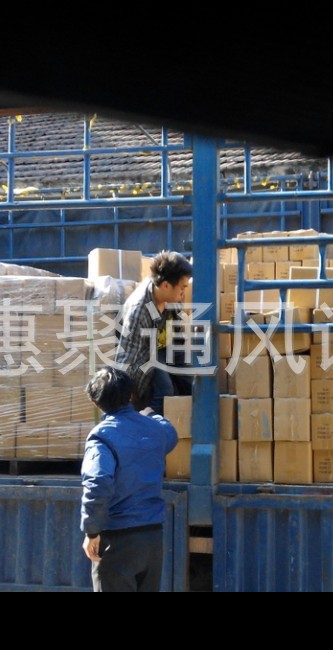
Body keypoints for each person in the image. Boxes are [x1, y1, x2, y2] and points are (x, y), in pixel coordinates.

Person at [80, 367, 179, 592]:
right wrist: (151, 415)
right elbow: (170, 433)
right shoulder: (155, 429)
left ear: (95, 403)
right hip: (151, 537)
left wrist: (91, 532)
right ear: (131, 396)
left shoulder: (101, 437)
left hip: (118, 540)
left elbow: (97, 483)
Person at [116, 251, 193, 415]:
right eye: (182, 287)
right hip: (148, 351)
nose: (183, 293)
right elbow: (128, 352)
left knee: (193, 381)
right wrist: (120, 393)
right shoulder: (139, 311)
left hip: (169, 343)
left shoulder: (171, 296)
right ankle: (153, 425)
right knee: (165, 390)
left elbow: (178, 327)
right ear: (166, 285)